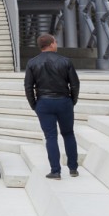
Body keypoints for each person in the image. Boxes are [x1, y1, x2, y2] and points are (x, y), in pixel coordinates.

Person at [24, 33, 81, 178]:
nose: (56, 44)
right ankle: (73, 168)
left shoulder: (32, 62)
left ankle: (55, 171)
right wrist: (72, 100)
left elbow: (28, 86)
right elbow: (75, 84)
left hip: (44, 102)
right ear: (51, 44)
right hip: (64, 101)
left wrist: (34, 105)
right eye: (55, 41)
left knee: (50, 137)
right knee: (68, 134)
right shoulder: (65, 61)